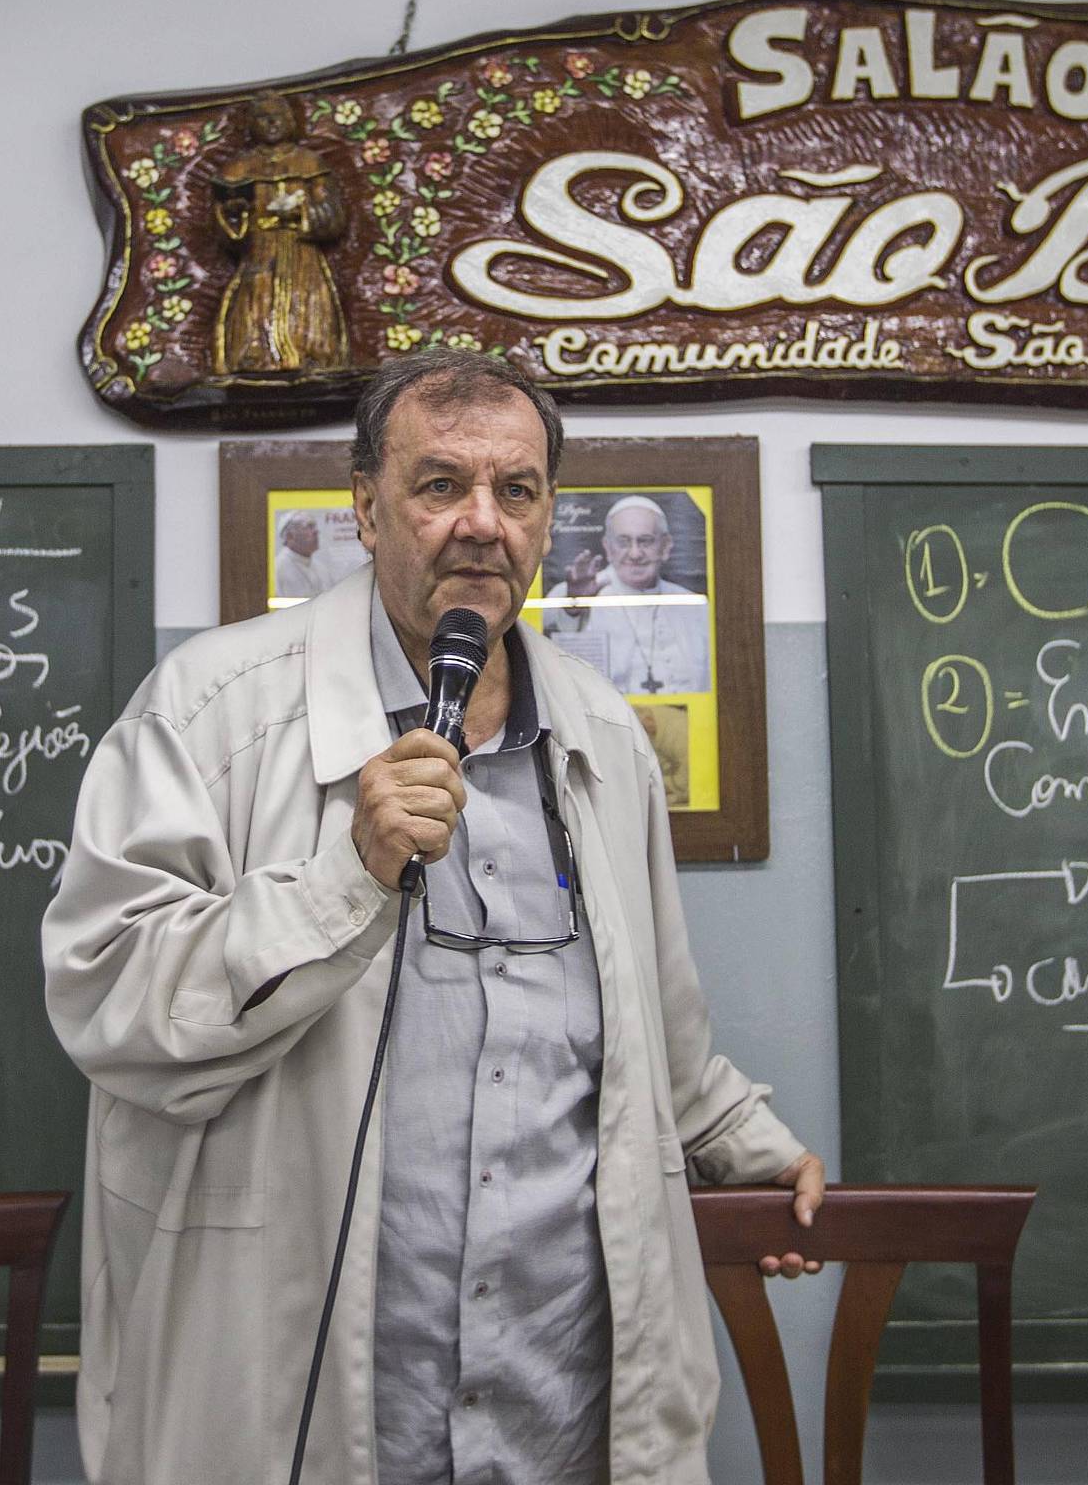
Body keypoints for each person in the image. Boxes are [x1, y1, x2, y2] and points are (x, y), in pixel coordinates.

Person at [43, 347, 824, 1484]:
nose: (481, 524)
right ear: (364, 505)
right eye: (439, 484)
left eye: (516, 491)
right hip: (317, 1397)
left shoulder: (605, 738)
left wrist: (740, 1146)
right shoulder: (206, 712)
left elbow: (655, 1016)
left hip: (556, 1403)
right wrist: (342, 876)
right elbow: (105, 998)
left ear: (549, 516)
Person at [210, 91, 350, 375]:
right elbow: (224, 228)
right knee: (254, 304)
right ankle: (254, 361)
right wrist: (236, 213)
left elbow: (333, 215)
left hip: (301, 251)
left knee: (306, 303)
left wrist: (301, 214)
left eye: (278, 116)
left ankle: (312, 359)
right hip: (259, 251)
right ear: (252, 125)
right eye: (263, 118)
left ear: (291, 121)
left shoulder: (310, 164)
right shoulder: (239, 168)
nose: (271, 123)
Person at [557, 494, 713, 695]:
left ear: (665, 546)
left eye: (645, 541)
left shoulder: (695, 606)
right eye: (623, 542)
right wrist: (574, 608)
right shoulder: (570, 595)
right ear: (607, 547)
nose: (635, 554)